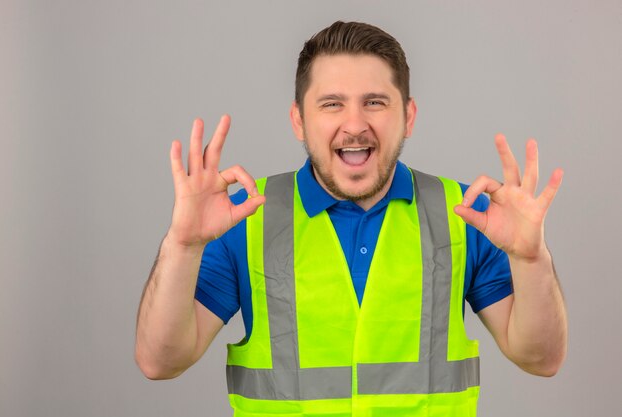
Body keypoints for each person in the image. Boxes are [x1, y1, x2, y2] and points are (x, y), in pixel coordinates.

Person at [135, 21, 567, 416]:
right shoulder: (247, 217)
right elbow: (160, 361)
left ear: (408, 117)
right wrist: (182, 246)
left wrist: (531, 261)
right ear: (299, 120)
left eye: (375, 102)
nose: (355, 124)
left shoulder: (464, 215)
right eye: (332, 104)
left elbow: (541, 359)